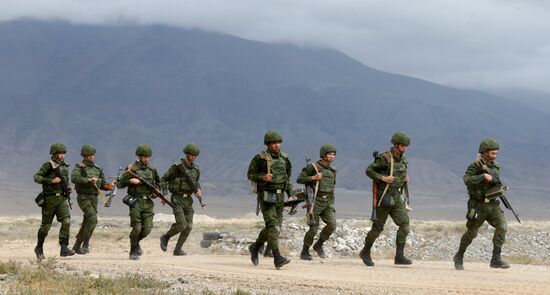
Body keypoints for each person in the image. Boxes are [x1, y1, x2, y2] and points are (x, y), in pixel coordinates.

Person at [453, 139, 510, 270]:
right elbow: (466, 180)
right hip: (477, 205)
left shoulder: (495, 167)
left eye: (496, 153)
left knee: (502, 226)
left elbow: (495, 183)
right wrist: (482, 177)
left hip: (492, 204)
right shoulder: (475, 166)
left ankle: (496, 259)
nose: (495, 156)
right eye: (492, 153)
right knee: (472, 233)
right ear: (484, 153)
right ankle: (459, 255)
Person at [359, 132, 413, 266]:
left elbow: (400, 174)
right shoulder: (385, 158)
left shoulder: (404, 159)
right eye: (402, 145)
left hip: (396, 197)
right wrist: (383, 178)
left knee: (405, 225)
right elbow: (369, 171)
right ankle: (365, 252)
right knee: (377, 228)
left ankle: (399, 256)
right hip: (384, 198)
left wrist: (404, 179)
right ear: (395, 145)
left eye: (406, 146)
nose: (404, 148)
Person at [247, 130, 292, 269]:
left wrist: (290, 193)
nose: (277, 145)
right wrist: (262, 177)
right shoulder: (260, 158)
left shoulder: (284, 158)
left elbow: (287, 178)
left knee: (274, 229)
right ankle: (277, 257)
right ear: (268, 144)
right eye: (273, 143)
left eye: (278, 143)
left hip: (279, 197)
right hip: (266, 196)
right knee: (273, 226)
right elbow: (250, 174)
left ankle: (255, 247)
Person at [117, 144, 160, 260]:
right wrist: (130, 181)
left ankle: (136, 243)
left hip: (148, 202)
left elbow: (159, 183)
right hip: (135, 201)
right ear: (139, 156)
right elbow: (119, 183)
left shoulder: (152, 169)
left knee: (147, 229)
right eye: (143, 157)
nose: (145, 159)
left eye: (147, 157)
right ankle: (133, 251)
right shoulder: (131, 168)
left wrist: (157, 192)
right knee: (137, 228)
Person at [33, 142, 76, 259]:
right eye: (60, 153)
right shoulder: (48, 165)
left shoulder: (65, 166)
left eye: (63, 153)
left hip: (62, 198)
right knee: (45, 227)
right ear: (54, 154)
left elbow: (64, 181)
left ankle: (64, 248)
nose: (62, 155)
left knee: (66, 221)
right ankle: (39, 247)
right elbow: (37, 177)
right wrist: (50, 180)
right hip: (50, 199)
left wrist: (68, 188)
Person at [159, 144, 202, 256]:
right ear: (187, 154)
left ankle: (178, 249)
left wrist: (198, 190)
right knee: (182, 224)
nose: (194, 157)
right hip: (177, 198)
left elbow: (196, 182)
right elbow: (163, 180)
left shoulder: (196, 169)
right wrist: (165, 194)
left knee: (189, 227)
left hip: (188, 200)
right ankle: (165, 237)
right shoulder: (176, 167)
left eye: (195, 156)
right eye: (192, 155)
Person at [70, 144, 114, 254]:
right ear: (84, 156)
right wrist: (88, 180)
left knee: (87, 221)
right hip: (83, 197)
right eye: (87, 156)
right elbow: (74, 178)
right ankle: (85, 244)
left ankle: (76, 246)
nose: (90, 158)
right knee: (93, 219)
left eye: (92, 155)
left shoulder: (98, 169)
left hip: (94, 198)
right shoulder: (79, 167)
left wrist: (110, 186)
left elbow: (103, 184)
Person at [297, 144, 338, 260]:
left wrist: (332, 203)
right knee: (314, 228)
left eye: (333, 154)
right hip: (315, 202)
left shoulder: (332, 171)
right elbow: (300, 179)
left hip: (327, 202)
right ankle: (304, 252)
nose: (332, 156)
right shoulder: (313, 167)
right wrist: (313, 178)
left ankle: (318, 245)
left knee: (332, 225)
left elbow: (332, 189)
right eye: (330, 154)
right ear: (323, 155)